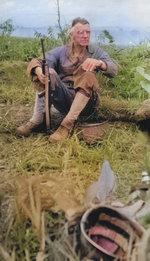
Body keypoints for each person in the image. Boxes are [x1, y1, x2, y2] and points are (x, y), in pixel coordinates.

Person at [16, 17, 118, 142]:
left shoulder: (95, 51)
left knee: (88, 76)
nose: (85, 36)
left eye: (88, 32)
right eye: (80, 32)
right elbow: (38, 62)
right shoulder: (61, 51)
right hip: (63, 97)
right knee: (47, 71)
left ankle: (66, 126)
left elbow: (113, 69)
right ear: (72, 35)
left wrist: (99, 63)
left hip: (86, 102)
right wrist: (38, 70)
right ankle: (37, 120)